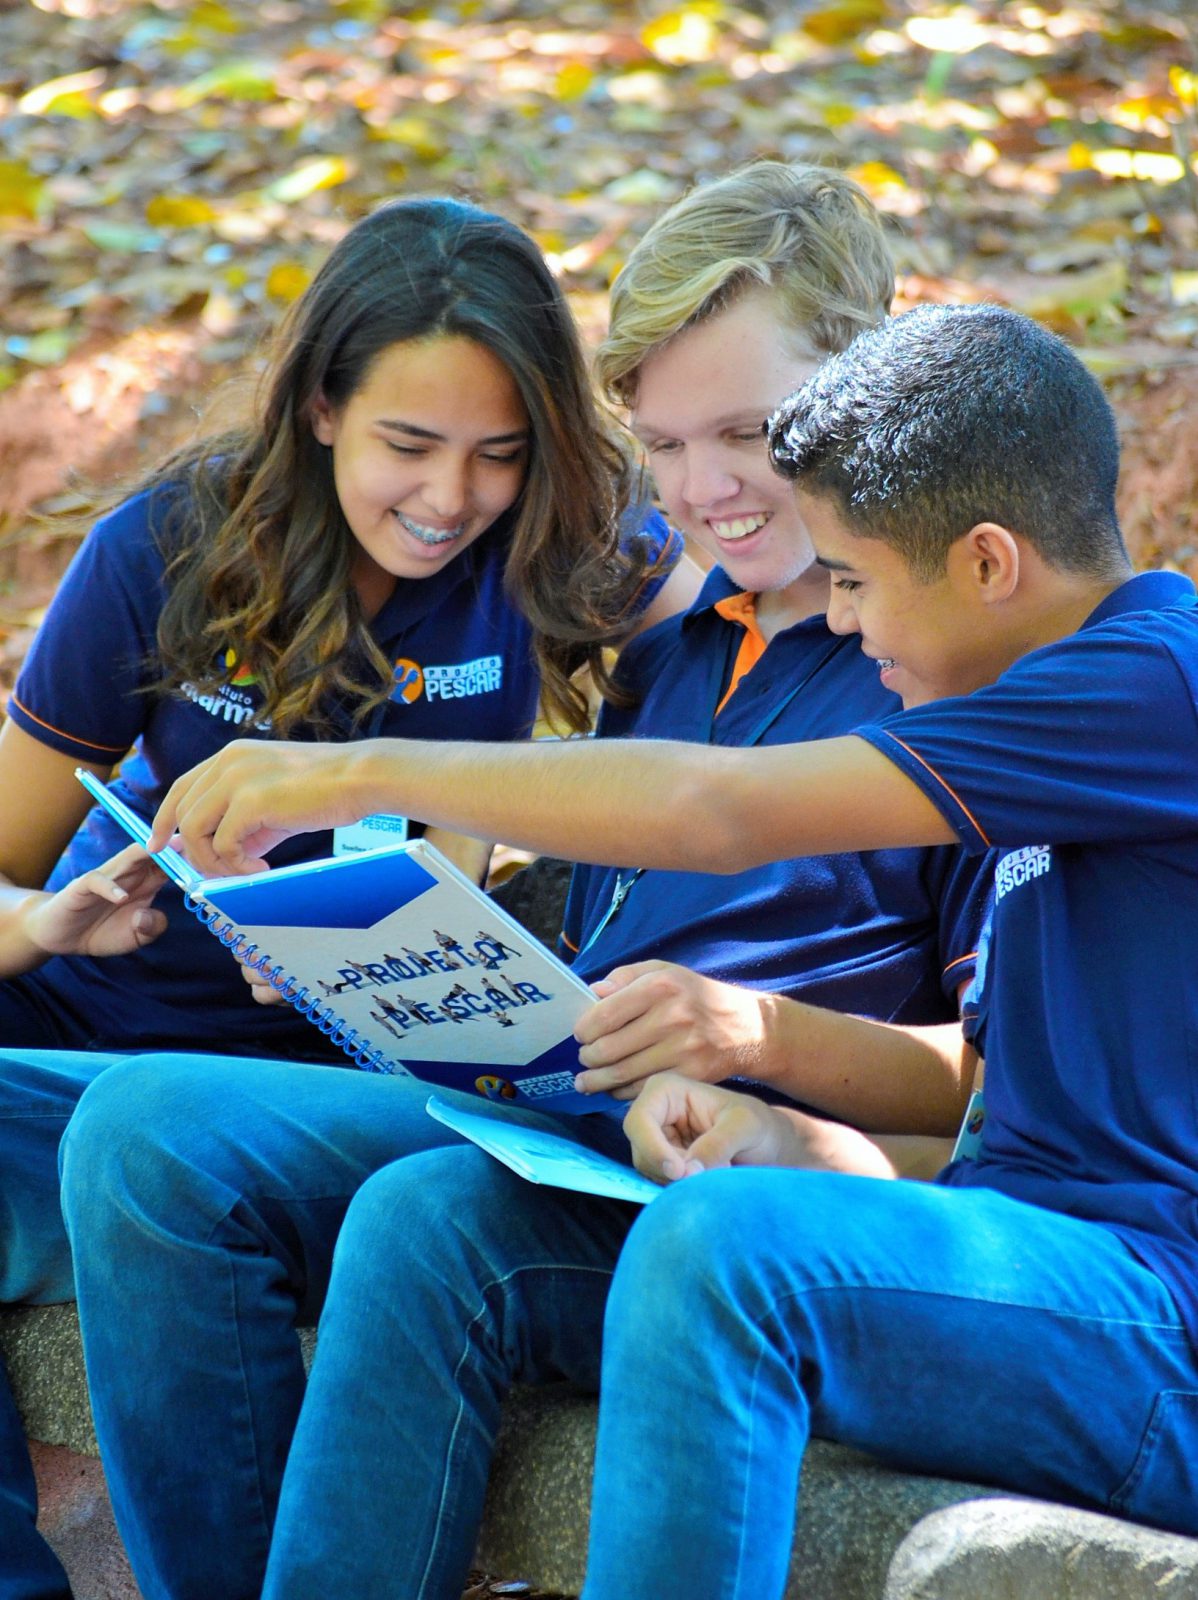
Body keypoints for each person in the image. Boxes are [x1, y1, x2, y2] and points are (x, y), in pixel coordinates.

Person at [126, 302, 1198, 1598]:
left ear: (985, 563)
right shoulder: (1042, 731)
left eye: (853, 580)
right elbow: (991, 1116)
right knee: (445, 1218)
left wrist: (345, 766)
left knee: (728, 1258)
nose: (844, 626)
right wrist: (773, 1132)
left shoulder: (1150, 680)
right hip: (1007, 1268)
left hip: (1147, 1328)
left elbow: (720, 810)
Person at [52, 165, 994, 1600]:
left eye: (750, 433)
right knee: (146, 1130)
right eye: (664, 445)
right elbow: (611, 879)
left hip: (744, 1187)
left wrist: (759, 1056)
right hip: (546, 1115)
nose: (702, 491)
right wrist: (383, 949)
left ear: (873, 385)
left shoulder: (962, 678)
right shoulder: (677, 651)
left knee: (425, 1223)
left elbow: (1002, 1082)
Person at [0, 195, 688, 1600]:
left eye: (497, 453)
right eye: (408, 445)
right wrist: (42, 923)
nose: (450, 499)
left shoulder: (576, 535)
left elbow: (752, 692)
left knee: (177, 1158)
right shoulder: (169, 548)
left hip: (366, 1084)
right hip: (105, 1040)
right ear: (319, 407)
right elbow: (8, 857)